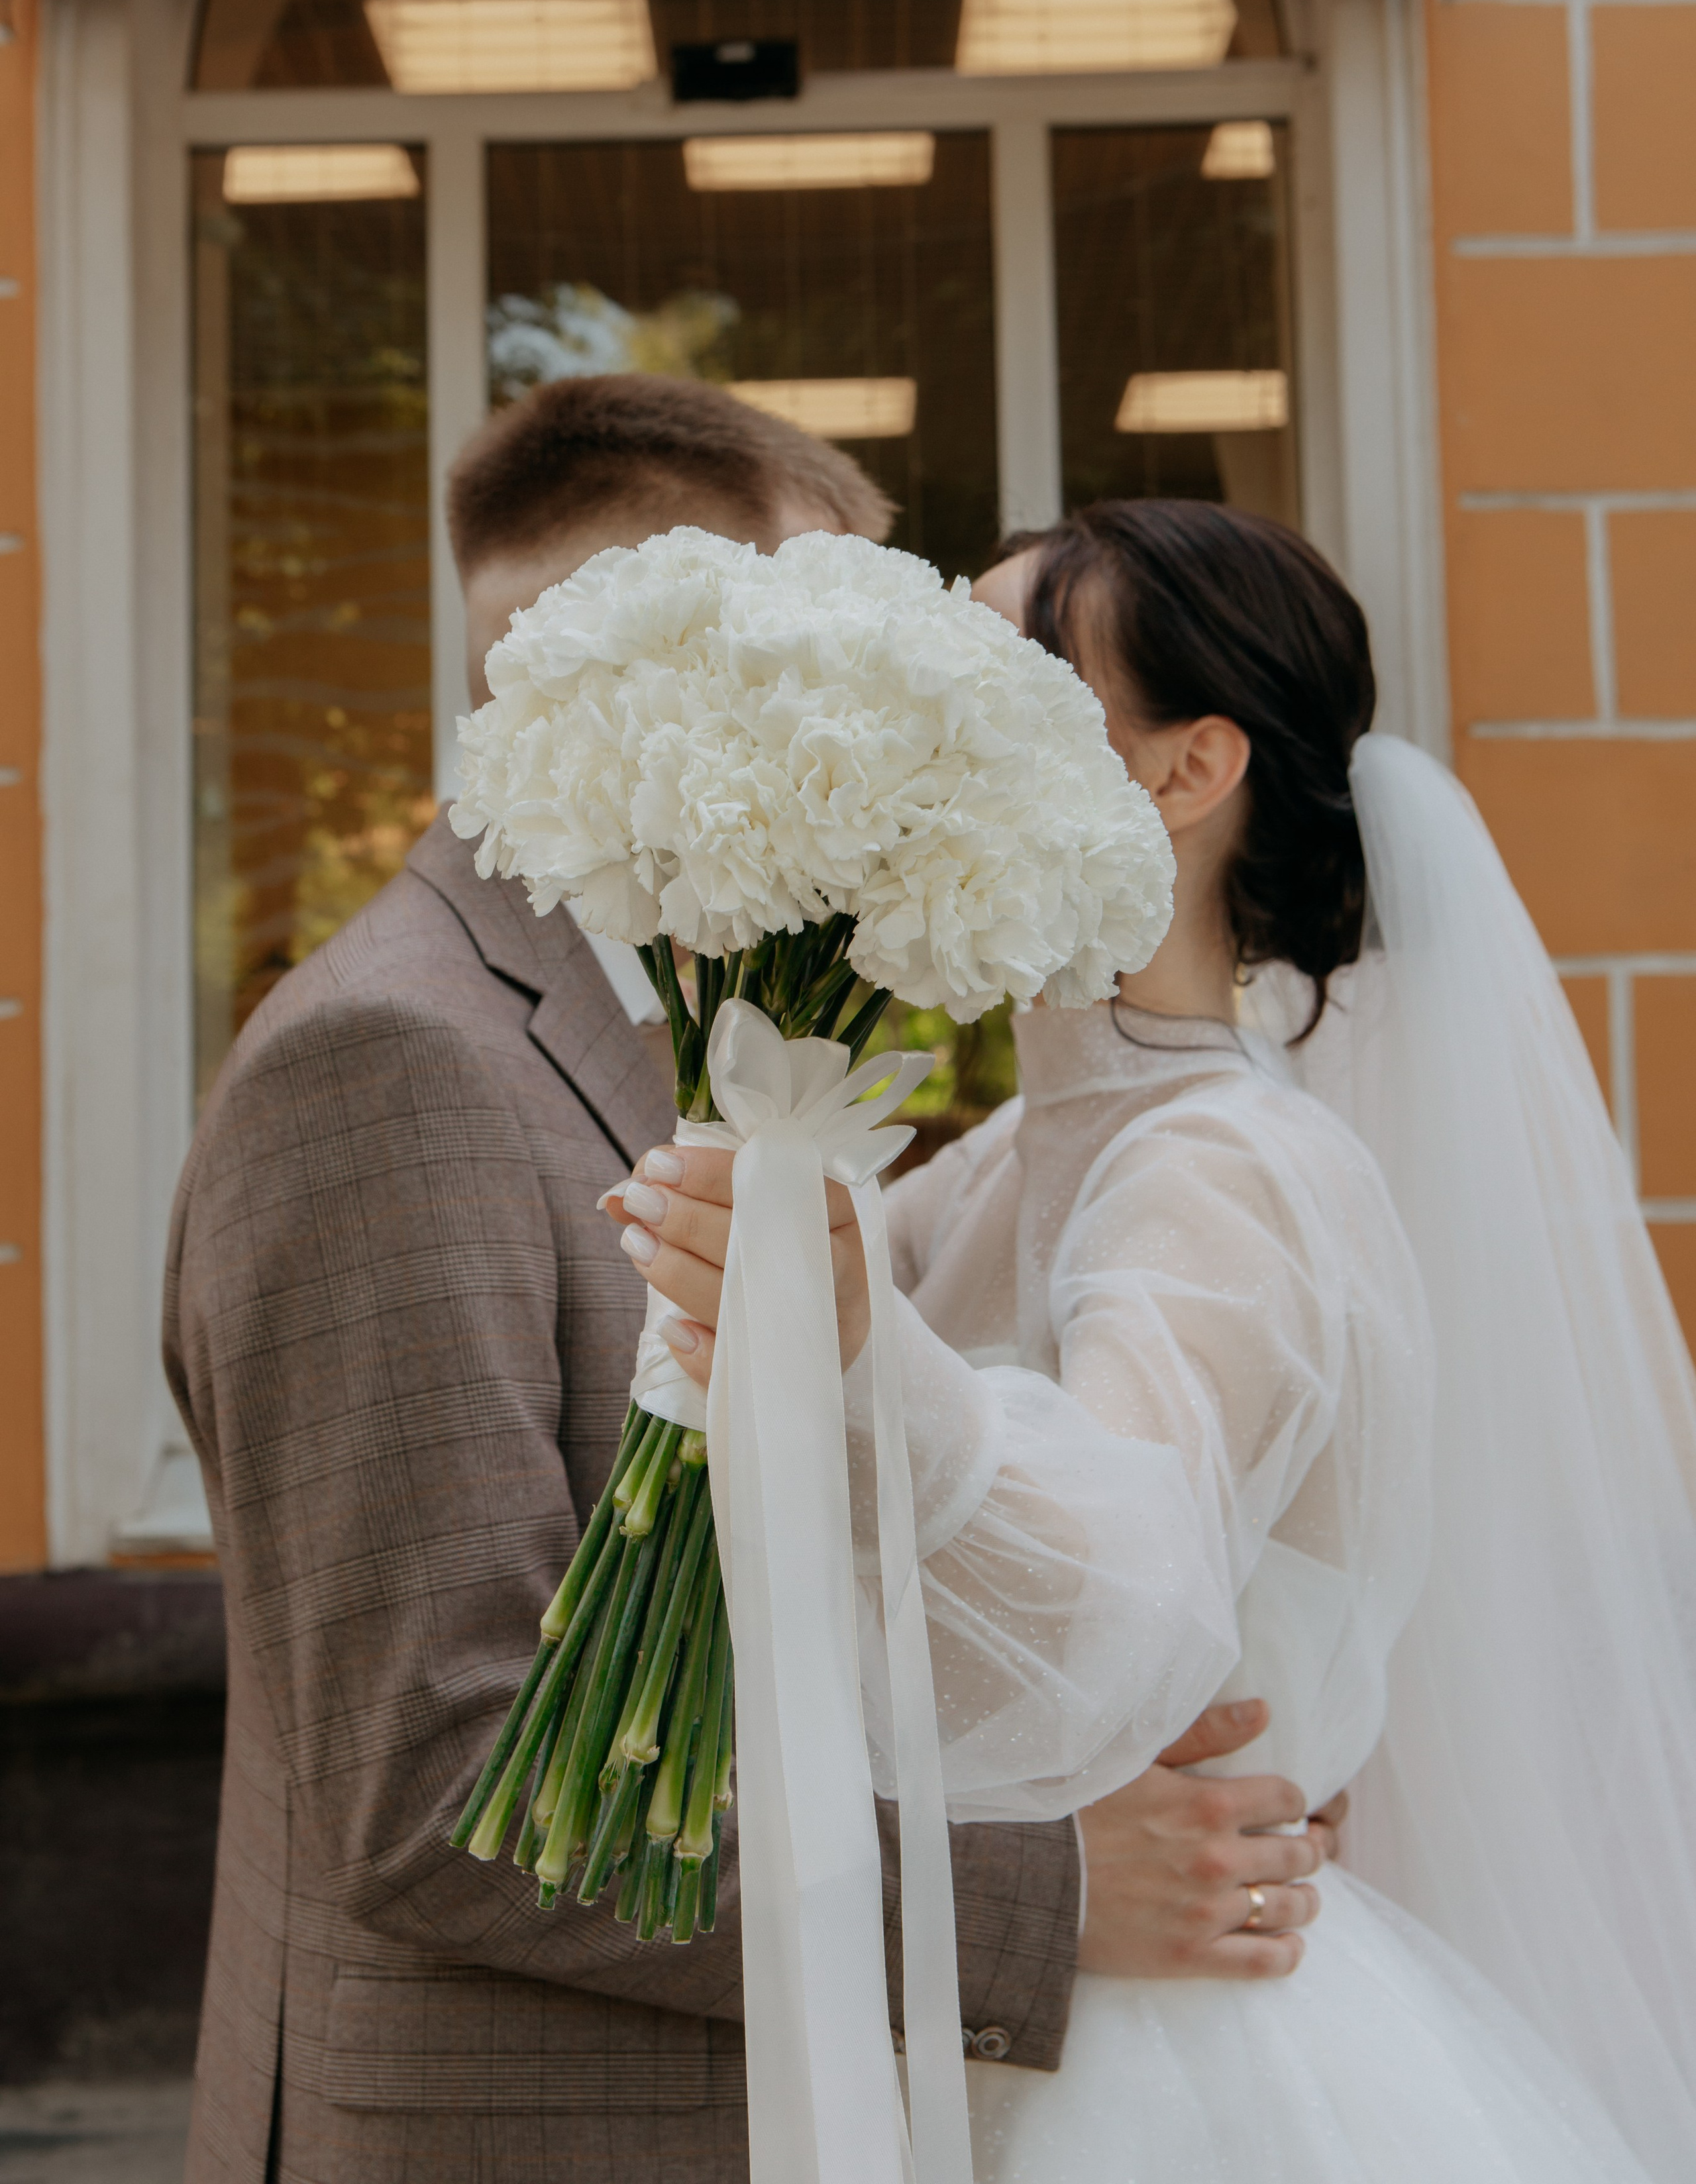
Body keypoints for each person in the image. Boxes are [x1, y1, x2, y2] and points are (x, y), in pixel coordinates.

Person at [164, 397, 1336, 2184]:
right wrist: (1053, 1885)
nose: (884, 710)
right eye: (841, 647)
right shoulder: (398, 1057)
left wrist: (1058, 1708)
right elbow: (435, 1780)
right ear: (680, 649)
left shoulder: (681, 1024)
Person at [610, 496, 1696, 2182]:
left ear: (1189, 774)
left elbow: (1118, 1586)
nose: (928, 732)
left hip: (1152, 2069)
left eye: (1002, 683)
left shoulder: (1222, 1171)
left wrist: (846, 1347)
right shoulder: (1010, 1161)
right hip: (1028, 2004)